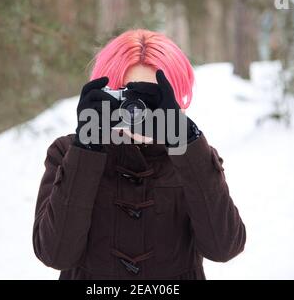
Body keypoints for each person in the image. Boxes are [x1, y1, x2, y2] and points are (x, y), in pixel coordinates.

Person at [32, 29, 246, 279]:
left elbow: (224, 248)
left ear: (175, 99)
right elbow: (55, 254)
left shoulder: (191, 157)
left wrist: (184, 139)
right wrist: (87, 149)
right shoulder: (68, 153)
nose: (139, 110)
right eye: (129, 95)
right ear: (107, 95)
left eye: (152, 97)